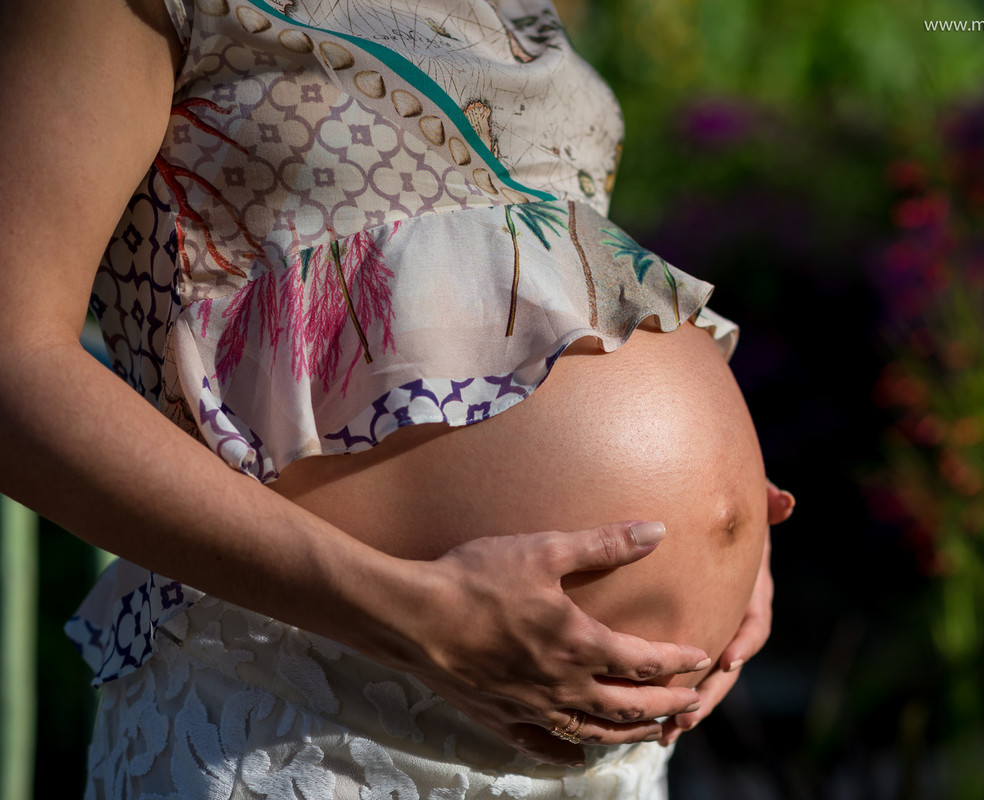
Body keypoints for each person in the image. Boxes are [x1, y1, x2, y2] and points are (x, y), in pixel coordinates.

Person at [0, 0, 794, 796]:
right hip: (316, 703)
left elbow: (535, 290)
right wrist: (409, 615)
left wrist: (726, 537)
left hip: (604, 743)